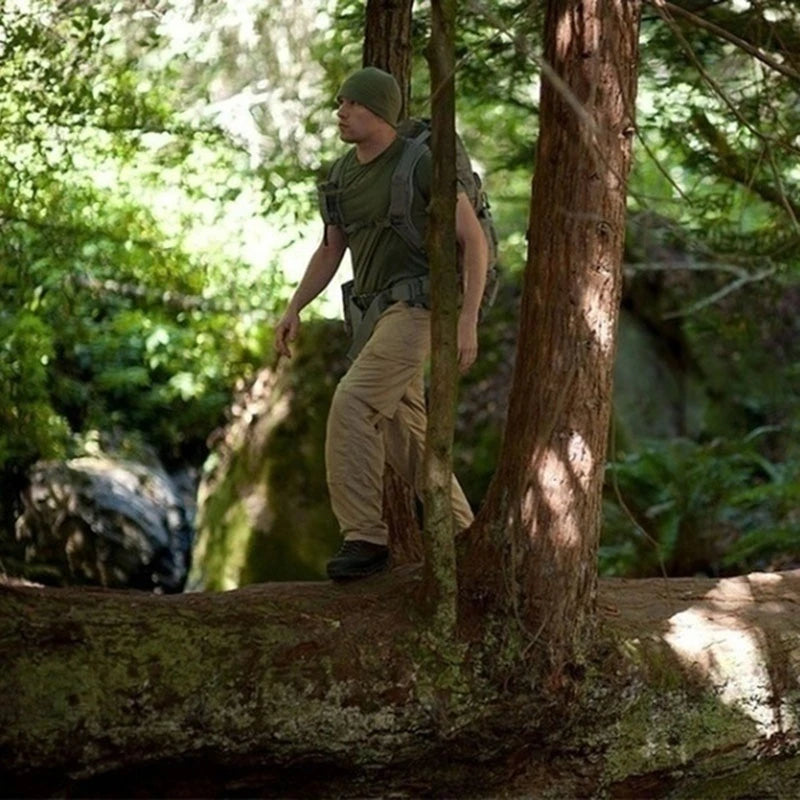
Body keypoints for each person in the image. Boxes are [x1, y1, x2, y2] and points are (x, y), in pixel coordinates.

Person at [274, 66, 488, 581]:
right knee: (407, 437)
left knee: (353, 403)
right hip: (373, 316)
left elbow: (473, 241)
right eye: (341, 102)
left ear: (382, 112)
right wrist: (294, 307)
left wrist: (467, 320)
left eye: (354, 104)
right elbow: (331, 250)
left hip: (419, 310)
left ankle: (365, 538)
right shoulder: (341, 175)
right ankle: (467, 540)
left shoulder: (421, 165)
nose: (341, 112)